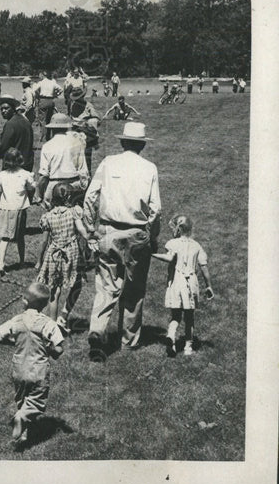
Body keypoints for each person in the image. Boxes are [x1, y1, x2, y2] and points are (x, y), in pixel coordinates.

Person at [83, 122, 161, 360]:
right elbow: (156, 209)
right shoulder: (149, 168)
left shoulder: (108, 162)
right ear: (142, 145)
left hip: (108, 230)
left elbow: (90, 196)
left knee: (106, 285)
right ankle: (129, 339)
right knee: (134, 289)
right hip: (137, 233)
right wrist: (154, 236)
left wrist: (90, 228)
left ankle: (97, 330)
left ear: (122, 142)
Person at [0, 282, 64, 448]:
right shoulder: (48, 324)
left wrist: (14, 343)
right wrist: (50, 349)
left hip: (19, 369)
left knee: (22, 399)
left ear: (24, 302)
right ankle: (21, 418)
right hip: (38, 370)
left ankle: (23, 433)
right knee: (37, 401)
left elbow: (0, 338)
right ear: (45, 305)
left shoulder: (16, 320)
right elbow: (59, 349)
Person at [152, 215, 214, 357]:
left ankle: (171, 336)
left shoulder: (173, 243)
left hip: (176, 283)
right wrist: (208, 286)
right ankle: (188, 347)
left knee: (175, 316)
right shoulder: (196, 245)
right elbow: (204, 266)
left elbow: (169, 258)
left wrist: (153, 254)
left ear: (178, 230)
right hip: (190, 283)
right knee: (189, 317)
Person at [35, 184, 89, 331]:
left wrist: (39, 261)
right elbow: (82, 231)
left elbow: (44, 241)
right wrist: (92, 237)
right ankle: (63, 317)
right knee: (77, 284)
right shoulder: (75, 212)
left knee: (54, 289)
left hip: (53, 255)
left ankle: (53, 326)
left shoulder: (47, 216)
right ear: (69, 197)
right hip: (72, 254)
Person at [0, 148, 35, 275]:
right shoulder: (26, 174)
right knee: (20, 237)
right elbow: (31, 188)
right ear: (20, 160)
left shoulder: (1, 175)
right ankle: (21, 262)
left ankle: (1, 264)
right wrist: (30, 199)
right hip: (20, 209)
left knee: (4, 237)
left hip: (5, 208)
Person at [34, 113, 89, 206]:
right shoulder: (77, 143)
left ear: (52, 128)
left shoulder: (47, 146)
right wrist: (83, 188)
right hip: (74, 184)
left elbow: (43, 175)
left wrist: (38, 195)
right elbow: (83, 170)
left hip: (54, 185)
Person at [0, 97, 35, 172]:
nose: (3, 111)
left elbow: (3, 146)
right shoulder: (26, 121)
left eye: (6, 108)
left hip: (14, 164)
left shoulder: (10, 124)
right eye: (1, 109)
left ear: (13, 109)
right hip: (28, 163)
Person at [34, 71, 63, 142]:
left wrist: (38, 95)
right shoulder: (52, 82)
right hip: (51, 101)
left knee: (42, 119)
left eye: (39, 75)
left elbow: (34, 90)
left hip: (43, 100)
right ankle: (48, 136)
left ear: (42, 75)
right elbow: (61, 89)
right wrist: (56, 95)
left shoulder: (41, 83)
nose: (39, 77)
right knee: (49, 119)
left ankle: (43, 137)